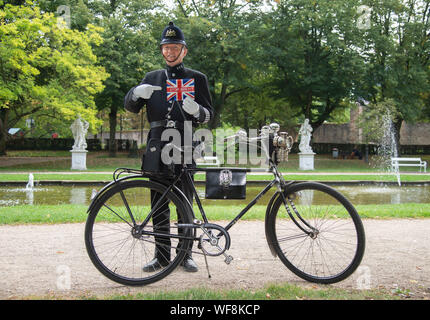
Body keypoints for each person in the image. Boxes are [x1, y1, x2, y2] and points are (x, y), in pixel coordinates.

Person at [124, 22, 213, 272]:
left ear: (184, 50)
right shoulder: (152, 78)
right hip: (157, 144)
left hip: (185, 142)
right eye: (166, 47)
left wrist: (198, 111)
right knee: (158, 204)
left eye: (174, 47)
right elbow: (130, 107)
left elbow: (209, 115)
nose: (170, 52)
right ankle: (161, 256)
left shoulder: (197, 78)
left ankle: (185, 255)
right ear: (162, 50)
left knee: (185, 203)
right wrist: (135, 93)